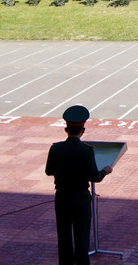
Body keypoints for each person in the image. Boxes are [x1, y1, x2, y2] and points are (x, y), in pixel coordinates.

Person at [45, 105, 113, 265]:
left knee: (63, 237)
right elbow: (94, 177)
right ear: (83, 130)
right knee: (81, 237)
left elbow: (49, 171)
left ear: (65, 129)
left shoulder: (55, 148)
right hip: (80, 198)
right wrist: (105, 171)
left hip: (62, 197)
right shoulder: (86, 151)